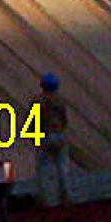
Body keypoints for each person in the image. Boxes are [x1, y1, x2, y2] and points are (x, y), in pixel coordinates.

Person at [36, 72, 71, 207]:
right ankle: (65, 196)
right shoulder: (60, 100)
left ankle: (45, 199)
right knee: (62, 166)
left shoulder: (38, 101)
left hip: (44, 135)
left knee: (43, 168)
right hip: (59, 134)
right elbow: (64, 119)